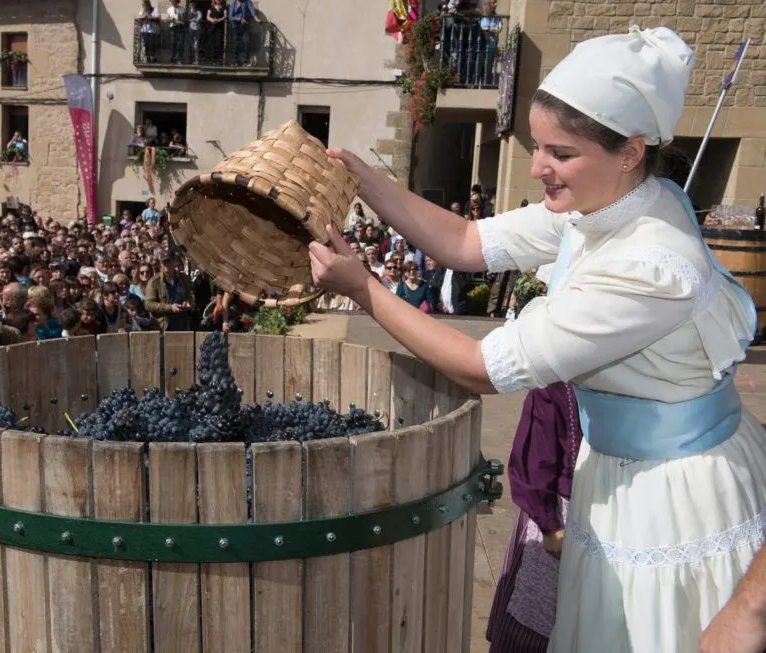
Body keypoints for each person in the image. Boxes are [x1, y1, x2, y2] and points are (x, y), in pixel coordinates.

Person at [307, 26, 766, 652]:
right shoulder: (613, 202)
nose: (539, 167)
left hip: (673, 489)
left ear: (630, 151)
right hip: (617, 469)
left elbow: (478, 366)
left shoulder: (650, 265)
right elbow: (468, 244)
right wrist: (367, 183)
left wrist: (365, 292)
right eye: (537, 145)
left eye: (561, 152)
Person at [487, 382, 582, 652]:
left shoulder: (559, 376)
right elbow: (538, 453)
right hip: (558, 515)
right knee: (535, 616)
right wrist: (549, 525)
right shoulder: (559, 383)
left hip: (570, 516)